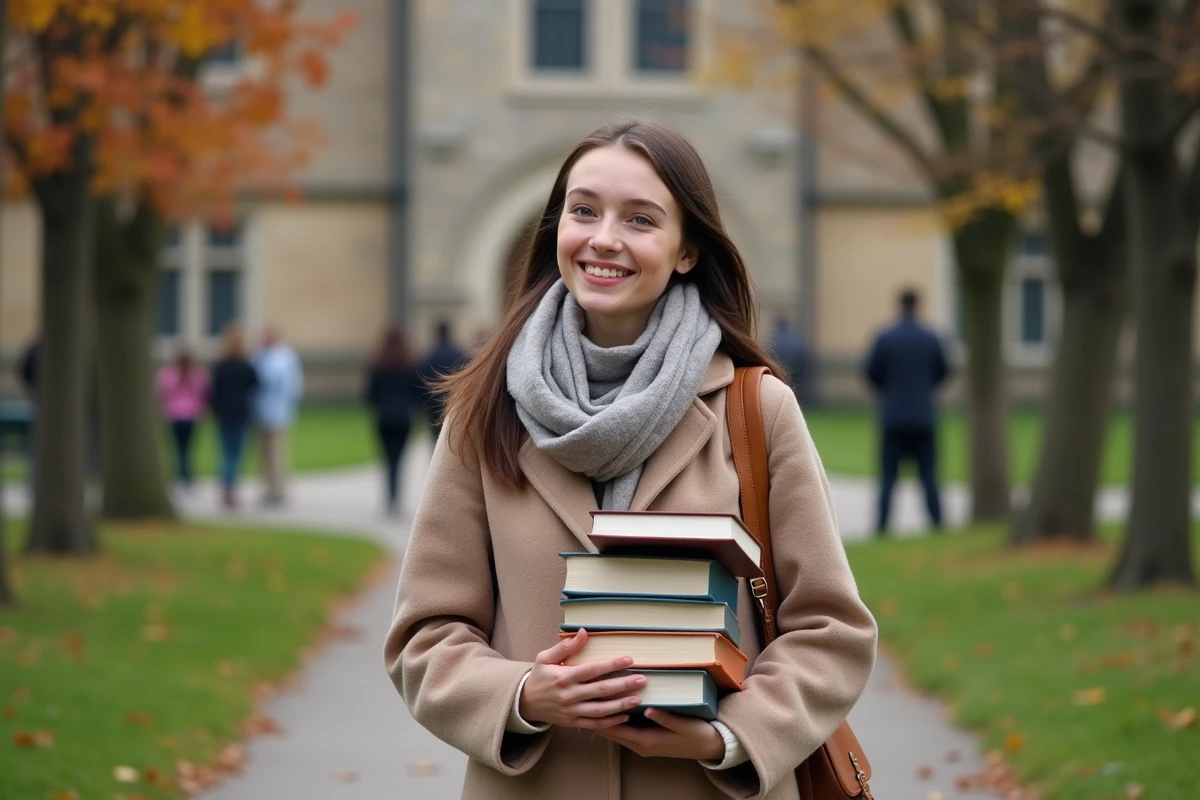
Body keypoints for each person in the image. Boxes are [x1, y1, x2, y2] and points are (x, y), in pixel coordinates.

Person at [384, 120, 877, 799]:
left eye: (640, 219)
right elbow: (426, 635)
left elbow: (831, 630)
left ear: (685, 251)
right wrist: (525, 695)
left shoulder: (757, 408)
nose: (603, 238)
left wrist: (728, 737)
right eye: (583, 210)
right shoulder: (482, 410)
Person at [864, 288, 950, 535]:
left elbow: (871, 371)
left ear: (899, 305)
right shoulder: (931, 337)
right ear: (918, 305)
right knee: (929, 476)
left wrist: (888, 391)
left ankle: (882, 527)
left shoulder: (885, 337)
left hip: (893, 417)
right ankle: (937, 524)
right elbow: (943, 371)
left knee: (888, 479)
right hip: (924, 417)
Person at [364, 326, 421, 515]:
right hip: (403, 417)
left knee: (387, 459)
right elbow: (418, 393)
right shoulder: (410, 365)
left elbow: (370, 395)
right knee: (399, 459)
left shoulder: (378, 365)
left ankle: (390, 498)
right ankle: (396, 498)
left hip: (384, 417)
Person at [208, 324, 259, 509]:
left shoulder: (220, 366)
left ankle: (226, 489)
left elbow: (212, 393)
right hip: (240, 413)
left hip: (223, 415)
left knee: (225, 453)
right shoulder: (246, 366)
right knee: (235, 454)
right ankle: (230, 489)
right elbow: (255, 385)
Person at [252, 326, 304, 506]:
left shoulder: (285, 357)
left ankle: (279, 490)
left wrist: (291, 406)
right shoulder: (258, 356)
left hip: (279, 412)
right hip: (260, 412)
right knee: (263, 453)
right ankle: (267, 487)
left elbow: (294, 385)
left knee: (277, 453)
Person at [155, 348, 209, 489]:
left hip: (174, 415)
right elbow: (204, 394)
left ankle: (181, 476)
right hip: (190, 416)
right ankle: (186, 476)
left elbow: (161, 392)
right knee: (187, 449)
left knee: (178, 449)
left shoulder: (168, 374)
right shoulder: (197, 374)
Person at [415, 319, 466, 443]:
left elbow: (423, 381)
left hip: (433, 404)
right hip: (453, 402)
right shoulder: (458, 354)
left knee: (436, 440)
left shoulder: (429, 355)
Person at [767, 317, 814, 406]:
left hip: (779, 373)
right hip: (796, 373)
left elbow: (769, 357)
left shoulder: (773, 340)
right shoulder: (795, 339)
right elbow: (804, 356)